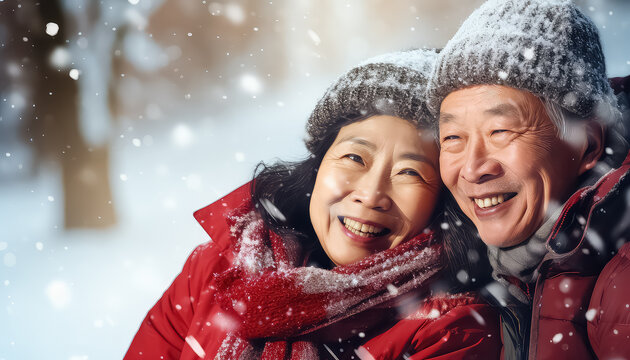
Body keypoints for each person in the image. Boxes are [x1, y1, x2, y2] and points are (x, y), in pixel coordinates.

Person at [123, 49, 501, 360]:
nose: (370, 194)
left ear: (441, 203)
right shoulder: (215, 271)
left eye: (409, 174)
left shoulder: (449, 328)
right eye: (355, 158)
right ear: (318, 165)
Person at [426, 0, 630, 359]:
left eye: (501, 130)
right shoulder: (502, 269)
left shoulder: (620, 286)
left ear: (588, 146)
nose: (473, 169)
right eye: (453, 137)